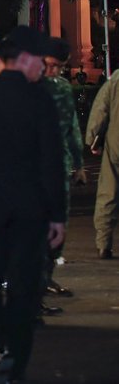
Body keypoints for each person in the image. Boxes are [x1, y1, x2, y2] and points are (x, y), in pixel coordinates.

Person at [0, 26, 66, 384]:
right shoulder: (40, 99)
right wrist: (58, 216)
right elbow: (52, 161)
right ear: (24, 58)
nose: (45, 69)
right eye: (41, 61)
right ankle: (15, 362)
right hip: (31, 206)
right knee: (23, 285)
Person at [40, 38, 84, 298]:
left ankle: (46, 276)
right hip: (30, 168)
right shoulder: (26, 85)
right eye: (50, 65)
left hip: (58, 165)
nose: (53, 71)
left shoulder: (62, 88)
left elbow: (72, 128)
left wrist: (79, 164)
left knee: (58, 223)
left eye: (59, 67)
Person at [85, 64, 119, 260]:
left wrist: (92, 139)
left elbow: (100, 110)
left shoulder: (116, 79)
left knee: (108, 193)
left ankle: (103, 245)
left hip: (115, 145)